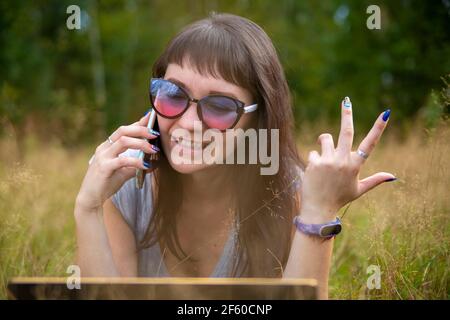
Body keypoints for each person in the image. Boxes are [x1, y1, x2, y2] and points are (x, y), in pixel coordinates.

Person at [74, 13, 395, 299]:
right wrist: (87, 208)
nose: (187, 123)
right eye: (173, 94)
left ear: (257, 118)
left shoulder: (289, 191)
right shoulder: (129, 179)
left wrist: (320, 209)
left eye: (219, 107)